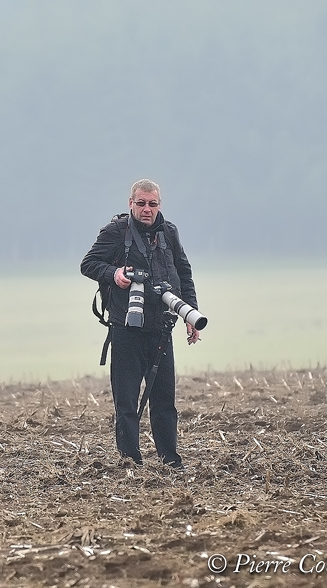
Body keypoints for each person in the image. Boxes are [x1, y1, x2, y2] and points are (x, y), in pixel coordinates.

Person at [80, 179, 200, 469]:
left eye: (153, 204)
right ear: (130, 203)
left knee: (164, 401)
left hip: (161, 327)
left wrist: (190, 314)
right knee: (127, 401)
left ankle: (170, 460)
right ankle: (130, 461)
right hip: (126, 329)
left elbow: (184, 273)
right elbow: (88, 264)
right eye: (141, 203)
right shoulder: (115, 232)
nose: (147, 210)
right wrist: (115, 273)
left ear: (160, 205)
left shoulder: (168, 232)